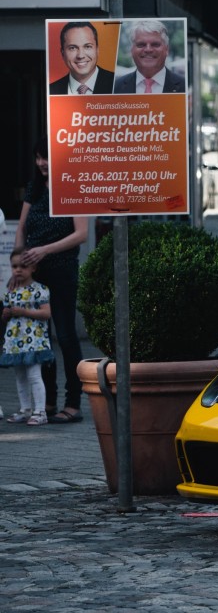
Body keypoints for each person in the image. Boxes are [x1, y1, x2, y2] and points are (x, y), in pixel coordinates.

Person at [13, 144, 87, 424]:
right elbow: (21, 227)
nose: (42, 162)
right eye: (38, 157)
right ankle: (48, 402)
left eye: (47, 156)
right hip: (36, 276)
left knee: (66, 336)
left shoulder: (73, 184)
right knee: (39, 338)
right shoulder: (35, 188)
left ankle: (73, 403)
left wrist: (45, 250)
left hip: (62, 272)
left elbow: (81, 234)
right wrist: (18, 265)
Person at [2, 249, 55, 426]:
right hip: (16, 342)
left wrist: (23, 311)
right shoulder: (11, 290)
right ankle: (25, 409)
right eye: (14, 266)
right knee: (20, 376)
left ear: (33, 267)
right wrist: (7, 313)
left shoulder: (39, 290)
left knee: (34, 375)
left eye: (23, 266)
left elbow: (46, 313)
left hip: (34, 341)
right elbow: (5, 313)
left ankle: (40, 412)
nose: (18, 270)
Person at [114, 20, 185, 94]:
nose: (148, 49)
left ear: (167, 49)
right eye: (141, 44)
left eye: (155, 44)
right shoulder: (115, 87)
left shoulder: (184, 86)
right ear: (132, 50)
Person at [49, 22, 115, 95]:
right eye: (72, 48)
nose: (80, 56)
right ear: (62, 53)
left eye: (87, 47)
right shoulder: (50, 90)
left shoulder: (118, 84)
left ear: (97, 50)